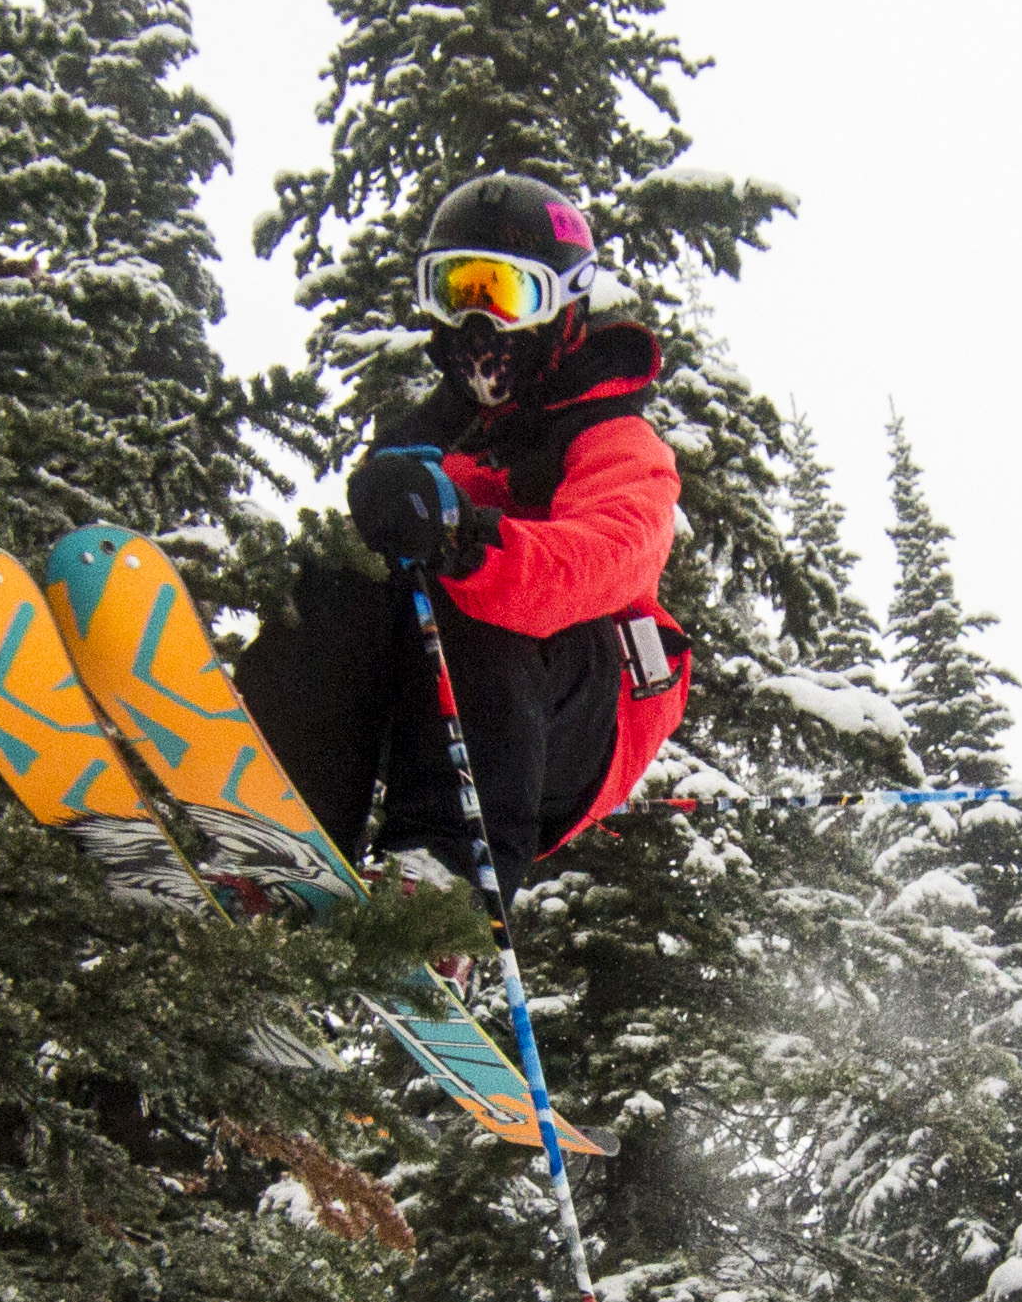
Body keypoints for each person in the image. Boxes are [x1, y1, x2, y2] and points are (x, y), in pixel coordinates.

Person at [238, 170, 693, 910]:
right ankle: (285, 835)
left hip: (580, 716)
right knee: (337, 583)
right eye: (455, 292)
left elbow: (607, 559)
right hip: (447, 709)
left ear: (563, 305)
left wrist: (465, 539)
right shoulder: (432, 435)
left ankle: (442, 883)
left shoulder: (614, 436)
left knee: (485, 601)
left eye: (508, 295)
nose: (479, 324)